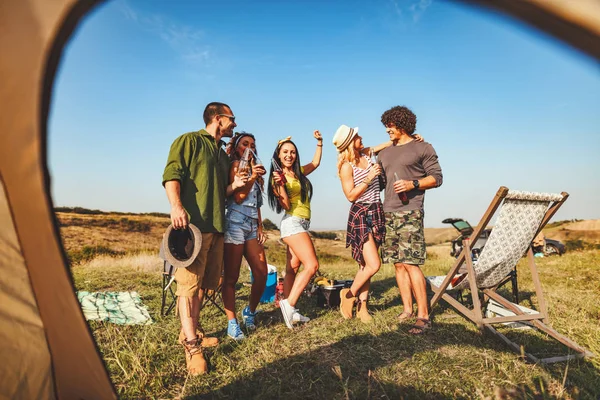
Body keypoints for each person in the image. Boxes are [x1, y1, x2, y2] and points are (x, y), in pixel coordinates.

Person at [162, 102, 261, 375]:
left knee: (206, 286)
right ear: (218, 118)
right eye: (232, 119)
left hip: (217, 228)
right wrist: (176, 206)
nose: (235, 125)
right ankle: (192, 347)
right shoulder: (189, 141)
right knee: (188, 287)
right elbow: (172, 173)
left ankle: (191, 331)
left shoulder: (220, 154)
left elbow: (222, 191)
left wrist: (236, 186)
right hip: (193, 227)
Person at [333, 125, 423, 323]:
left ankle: (363, 306)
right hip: (361, 213)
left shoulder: (367, 155)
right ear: (350, 142)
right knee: (374, 264)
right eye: (357, 136)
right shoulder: (346, 166)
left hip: (376, 211)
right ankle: (348, 294)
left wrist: (410, 139)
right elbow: (350, 196)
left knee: (365, 266)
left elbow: (388, 143)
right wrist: (369, 178)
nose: (361, 137)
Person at [378, 105, 443, 335]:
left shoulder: (422, 147)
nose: (387, 130)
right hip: (388, 212)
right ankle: (407, 309)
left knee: (411, 262)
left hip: (410, 212)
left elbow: (437, 178)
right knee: (397, 263)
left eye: (391, 125)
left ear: (402, 123)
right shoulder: (383, 153)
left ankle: (423, 316)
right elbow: (380, 183)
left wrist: (412, 184)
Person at [267, 131, 323, 329]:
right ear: (279, 155)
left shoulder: (298, 172)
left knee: (292, 270)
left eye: (292, 152)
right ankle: (288, 304)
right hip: (292, 222)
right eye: (285, 152)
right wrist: (281, 185)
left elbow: (315, 163)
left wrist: (319, 143)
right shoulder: (278, 177)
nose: (289, 155)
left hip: (301, 223)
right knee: (312, 266)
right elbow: (284, 204)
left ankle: (290, 311)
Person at [222, 131, 269, 341]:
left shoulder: (254, 171)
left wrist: (260, 226)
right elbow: (239, 198)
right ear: (236, 147)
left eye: (252, 144)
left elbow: (257, 204)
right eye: (244, 144)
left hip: (251, 225)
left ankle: (249, 311)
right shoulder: (235, 167)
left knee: (261, 272)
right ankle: (232, 323)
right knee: (231, 277)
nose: (248, 147)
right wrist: (252, 177)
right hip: (234, 223)